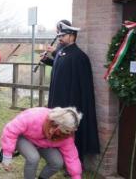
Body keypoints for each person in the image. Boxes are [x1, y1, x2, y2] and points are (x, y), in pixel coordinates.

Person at [42, 22, 100, 161]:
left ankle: (74, 162)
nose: (60, 38)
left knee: (70, 133)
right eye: (59, 35)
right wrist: (46, 60)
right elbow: (60, 68)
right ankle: (59, 158)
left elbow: (79, 85)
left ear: (72, 36)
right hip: (58, 101)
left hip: (70, 103)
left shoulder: (79, 57)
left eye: (63, 35)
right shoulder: (63, 53)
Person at [0, 107, 83, 179]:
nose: (68, 134)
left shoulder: (66, 136)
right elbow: (10, 130)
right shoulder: (35, 116)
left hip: (42, 144)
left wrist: (76, 176)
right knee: (33, 157)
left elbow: (72, 157)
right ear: (59, 124)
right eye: (66, 130)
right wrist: (7, 156)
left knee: (57, 162)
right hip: (24, 138)